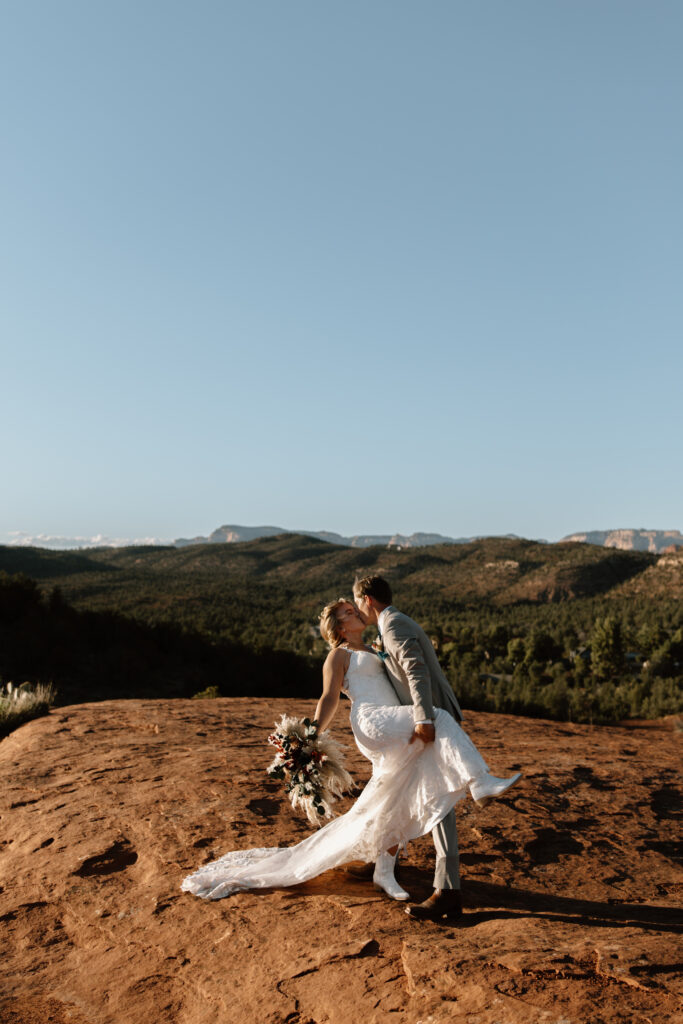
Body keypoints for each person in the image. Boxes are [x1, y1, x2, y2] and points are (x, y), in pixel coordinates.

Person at [181, 594, 520, 919]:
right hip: (372, 720)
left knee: (395, 792)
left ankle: (384, 871)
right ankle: (480, 782)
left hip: (392, 721)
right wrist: (311, 735)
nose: (353, 612)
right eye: (346, 612)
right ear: (339, 628)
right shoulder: (339, 655)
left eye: (351, 607)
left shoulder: (373, 646)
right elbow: (329, 698)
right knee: (438, 719)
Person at [352, 575, 521, 921]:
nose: (357, 609)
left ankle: (447, 890)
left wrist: (424, 719)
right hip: (425, 720)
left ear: (367, 599)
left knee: (439, 801)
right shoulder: (390, 624)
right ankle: (389, 863)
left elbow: (416, 672)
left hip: (431, 720)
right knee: (423, 796)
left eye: (357, 603)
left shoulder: (394, 625)